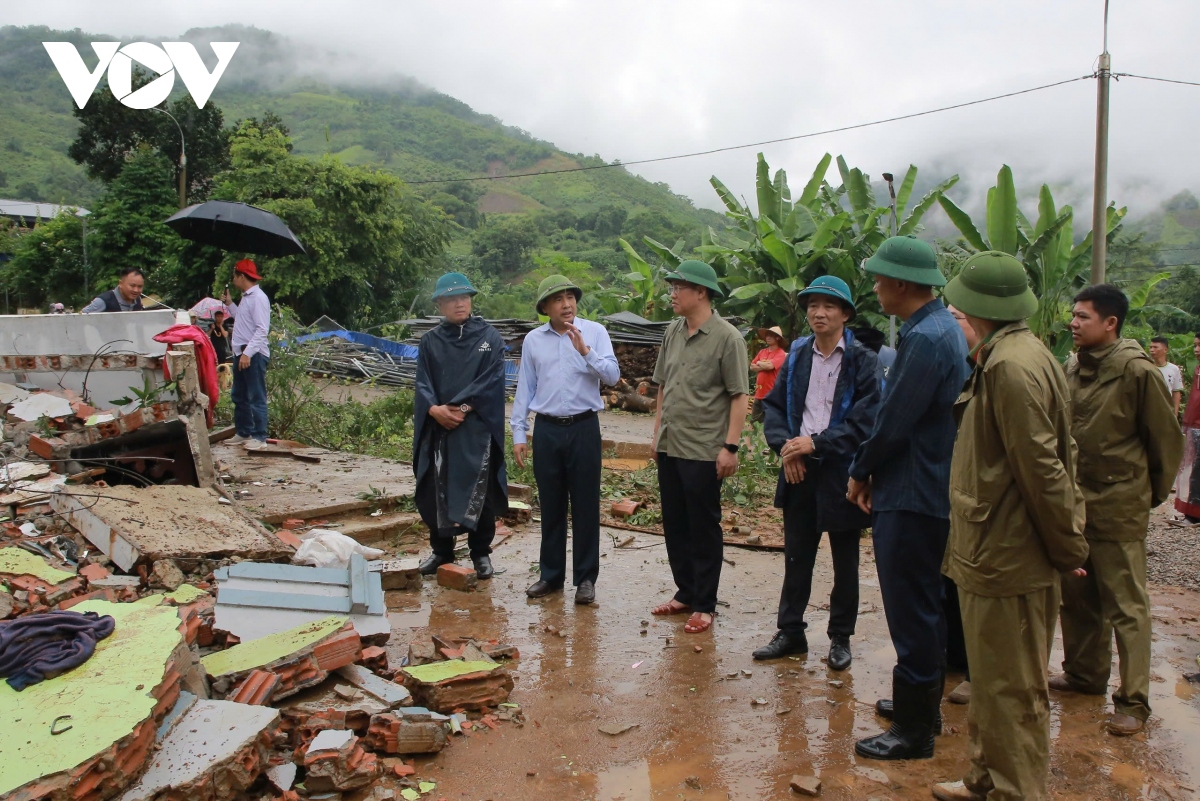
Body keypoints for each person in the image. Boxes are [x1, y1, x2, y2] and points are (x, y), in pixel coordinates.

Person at [931, 252, 1089, 801]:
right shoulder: (1010, 354)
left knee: (1012, 688)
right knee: (994, 682)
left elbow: (1043, 468)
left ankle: (1013, 790)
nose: (951, 310)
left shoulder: (1011, 368)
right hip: (989, 546)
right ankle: (984, 778)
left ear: (977, 308)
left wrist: (1067, 545)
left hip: (1010, 552)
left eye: (956, 303)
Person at [846, 235, 970, 761]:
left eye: (878, 278)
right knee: (923, 604)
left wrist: (860, 470)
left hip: (915, 492)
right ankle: (920, 705)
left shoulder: (927, 339)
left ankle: (916, 731)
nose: (874, 286)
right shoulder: (936, 329)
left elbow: (893, 420)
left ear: (901, 283)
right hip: (915, 483)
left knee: (911, 607)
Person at [1050, 283, 1183, 736]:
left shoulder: (1136, 372)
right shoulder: (1072, 365)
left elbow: (1166, 442)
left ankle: (1134, 701)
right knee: (1078, 596)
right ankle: (1085, 674)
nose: (1074, 322)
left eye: (1083, 316)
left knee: (1127, 605)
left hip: (1119, 504)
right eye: (1074, 314)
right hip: (1078, 503)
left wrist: (1147, 496)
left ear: (1111, 323)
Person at [755, 275, 880, 670]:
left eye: (829, 305)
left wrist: (817, 443)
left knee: (845, 559)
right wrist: (788, 448)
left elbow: (866, 420)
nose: (818, 312)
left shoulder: (863, 360)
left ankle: (840, 637)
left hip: (844, 472)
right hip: (799, 471)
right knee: (797, 555)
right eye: (812, 305)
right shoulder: (797, 356)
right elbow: (773, 408)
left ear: (845, 313)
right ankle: (790, 631)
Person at [649, 260, 749, 635]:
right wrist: (657, 432)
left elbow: (739, 396)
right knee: (675, 523)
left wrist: (731, 447)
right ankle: (686, 592)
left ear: (701, 292)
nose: (672, 293)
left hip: (704, 449)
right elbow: (663, 385)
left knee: (703, 526)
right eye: (672, 286)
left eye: (679, 287)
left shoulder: (728, 338)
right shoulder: (673, 332)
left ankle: (705, 604)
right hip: (672, 445)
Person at [512, 275, 620, 604]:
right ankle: (551, 576)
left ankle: (586, 579)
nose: (567, 304)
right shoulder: (533, 340)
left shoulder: (596, 333)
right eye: (558, 299)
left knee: (586, 505)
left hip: (584, 428)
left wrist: (585, 351)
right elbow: (525, 387)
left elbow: (613, 376)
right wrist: (519, 431)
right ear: (545, 308)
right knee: (552, 504)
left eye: (570, 296)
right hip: (547, 430)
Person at [412, 272, 508, 581]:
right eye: (452, 299)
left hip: (475, 428)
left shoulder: (487, 339)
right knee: (435, 486)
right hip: (439, 427)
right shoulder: (430, 343)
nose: (459, 303)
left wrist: (463, 408)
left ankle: (480, 552)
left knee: (480, 489)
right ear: (440, 304)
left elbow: (492, 378)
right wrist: (434, 409)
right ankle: (442, 551)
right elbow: (423, 381)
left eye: (464, 297)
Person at [222, 260, 271, 446]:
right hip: (241, 351)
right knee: (239, 394)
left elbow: (261, 329)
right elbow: (243, 320)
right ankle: (244, 432)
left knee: (256, 395)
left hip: (253, 353)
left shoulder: (258, 298)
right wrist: (230, 304)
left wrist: (247, 353)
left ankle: (260, 437)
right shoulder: (247, 297)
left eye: (234, 276)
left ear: (241, 276)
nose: (233, 279)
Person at [1174, 333, 1200, 525]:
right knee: (1193, 470)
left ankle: (1194, 513)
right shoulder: (1198, 369)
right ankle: (1192, 511)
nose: (1196, 350)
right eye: (1195, 346)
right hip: (1195, 426)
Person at [749, 327, 788, 424]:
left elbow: (770, 366)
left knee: (770, 424)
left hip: (771, 395)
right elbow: (751, 367)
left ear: (778, 338)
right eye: (767, 335)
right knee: (754, 424)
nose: (768, 337)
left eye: (771, 335)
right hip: (759, 394)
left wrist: (759, 363)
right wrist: (763, 365)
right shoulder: (762, 352)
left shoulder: (780, 353)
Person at [80, 267, 145, 313]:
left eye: (140, 286)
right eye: (132, 286)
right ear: (120, 283)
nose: (136, 290)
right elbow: (78, 319)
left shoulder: (138, 300)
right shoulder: (103, 301)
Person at [1149, 335, 1184, 417]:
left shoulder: (1174, 369)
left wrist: (1175, 413)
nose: (1152, 350)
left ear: (1165, 350)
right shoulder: (1146, 366)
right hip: (1149, 410)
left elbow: (1176, 392)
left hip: (1166, 411)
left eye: (1155, 347)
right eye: (1150, 347)